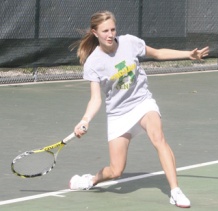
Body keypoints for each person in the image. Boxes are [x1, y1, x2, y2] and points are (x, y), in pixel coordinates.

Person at [69, 10, 209, 208]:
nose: (110, 34)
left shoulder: (129, 42)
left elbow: (158, 53)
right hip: (118, 114)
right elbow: (95, 99)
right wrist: (85, 120)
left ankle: (175, 191)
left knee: (158, 138)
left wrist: (188, 54)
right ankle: (90, 180)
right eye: (105, 31)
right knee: (116, 171)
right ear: (95, 33)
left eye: (113, 29)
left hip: (142, 102)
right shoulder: (93, 63)